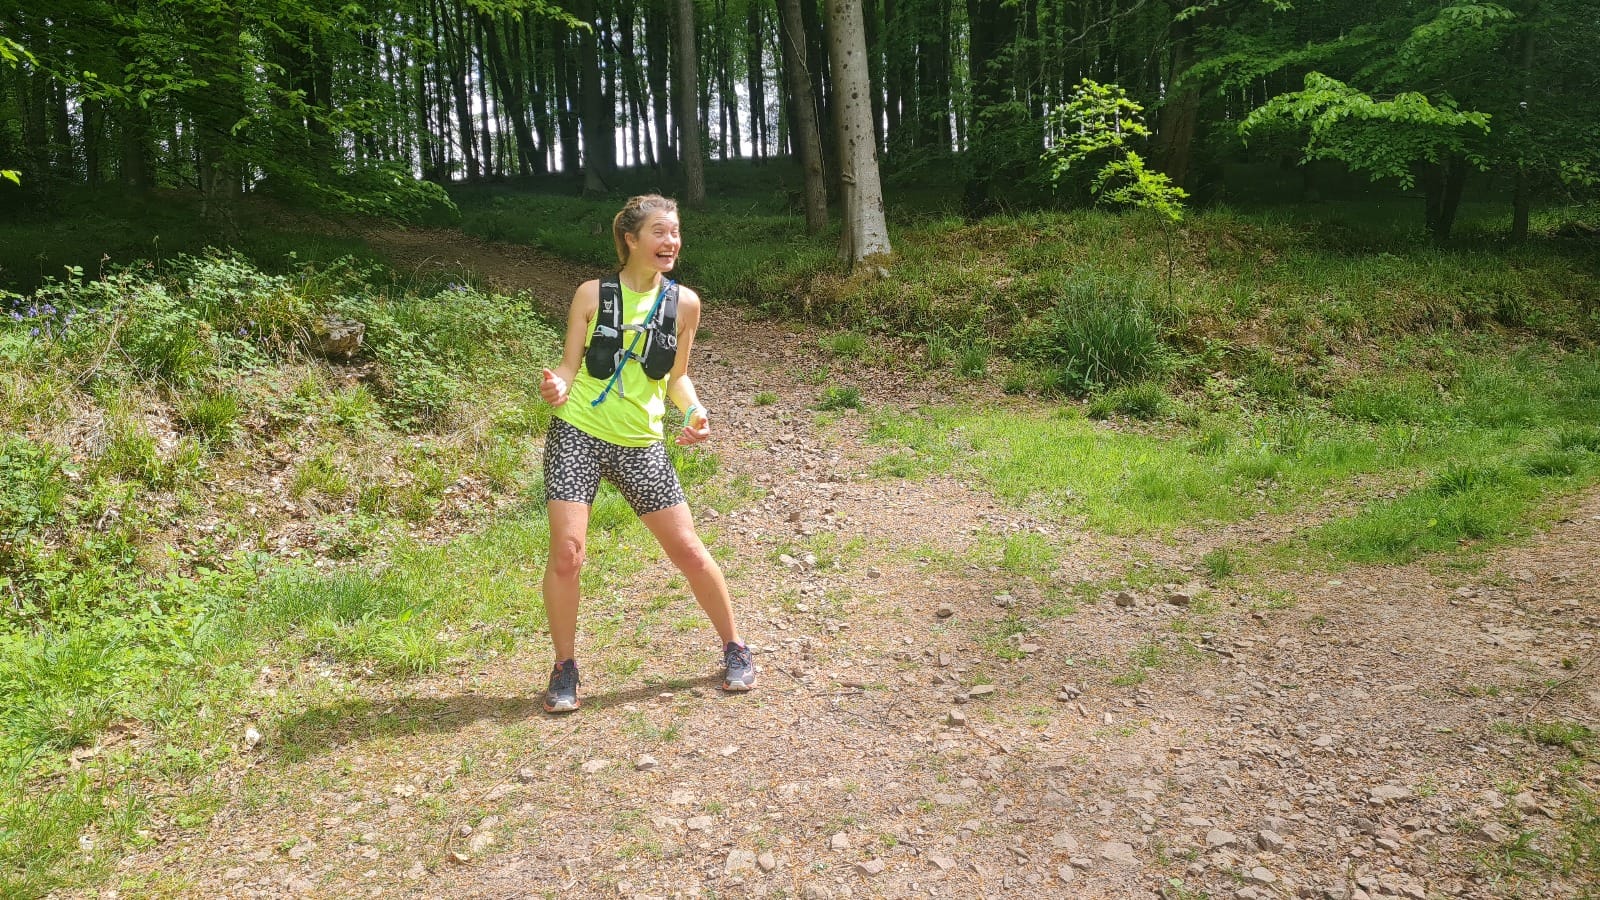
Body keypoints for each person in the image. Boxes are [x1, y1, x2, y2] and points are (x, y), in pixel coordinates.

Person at [536, 194, 753, 714]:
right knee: (568, 553)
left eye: (675, 232)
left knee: (688, 551)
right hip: (578, 433)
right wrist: (557, 387)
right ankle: (565, 667)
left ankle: (736, 647)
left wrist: (695, 412)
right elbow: (569, 367)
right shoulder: (592, 294)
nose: (671, 241)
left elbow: (676, 378)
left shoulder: (686, 304)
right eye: (659, 231)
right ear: (631, 239)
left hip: (642, 444)